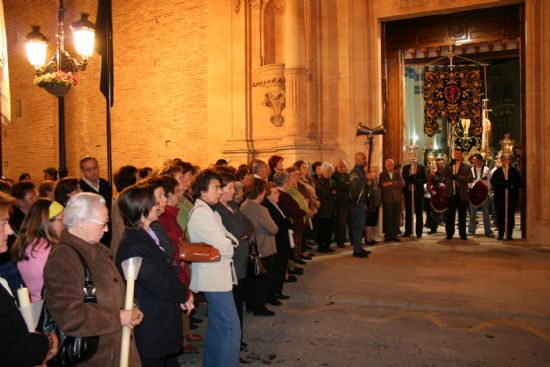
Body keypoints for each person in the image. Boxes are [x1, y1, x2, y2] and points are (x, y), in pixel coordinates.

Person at [43, 193, 143, 366]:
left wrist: (131, 307)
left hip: (117, 348)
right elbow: (69, 315)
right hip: (97, 356)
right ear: (81, 222)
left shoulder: (96, 249)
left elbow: (112, 292)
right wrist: (118, 317)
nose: (106, 230)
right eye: (103, 224)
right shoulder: (63, 258)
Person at [117, 184, 192, 367]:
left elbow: (165, 268)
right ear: (142, 209)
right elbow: (158, 281)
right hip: (151, 320)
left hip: (160, 312)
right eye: (153, 204)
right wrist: (183, 294)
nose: (158, 206)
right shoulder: (135, 243)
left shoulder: (146, 233)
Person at [187, 169, 241, 367]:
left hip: (218, 276)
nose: (220, 192)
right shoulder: (201, 213)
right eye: (216, 187)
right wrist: (228, 245)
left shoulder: (210, 211)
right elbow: (226, 245)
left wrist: (228, 245)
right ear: (202, 191)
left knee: (218, 327)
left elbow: (229, 239)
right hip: (214, 278)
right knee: (230, 328)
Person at [0, 192, 59, 367]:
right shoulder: (46, 250)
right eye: (3, 224)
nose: (10, 231)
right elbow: (9, 349)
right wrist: (45, 342)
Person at [215, 171, 252, 350]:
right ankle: (233, 340)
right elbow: (237, 231)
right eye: (229, 188)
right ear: (219, 190)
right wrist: (243, 232)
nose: (233, 191)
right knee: (233, 304)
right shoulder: (217, 210)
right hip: (231, 264)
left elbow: (248, 224)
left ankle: (238, 336)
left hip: (241, 260)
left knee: (239, 301)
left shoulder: (233, 205)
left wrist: (244, 231)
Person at [241, 178, 280, 315]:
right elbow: (273, 229)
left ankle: (250, 304)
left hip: (251, 247)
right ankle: (260, 307)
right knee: (264, 279)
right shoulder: (261, 209)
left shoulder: (244, 205)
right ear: (261, 193)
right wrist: (274, 223)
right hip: (264, 248)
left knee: (252, 278)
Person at [12, 200, 64, 302]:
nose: (65, 225)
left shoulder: (28, 245)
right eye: (62, 220)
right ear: (47, 222)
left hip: (36, 305)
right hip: (51, 306)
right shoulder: (46, 250)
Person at [274, 169, 306, 281]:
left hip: (292, 223)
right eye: (287, 180)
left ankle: (291, 268)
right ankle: (287, 271)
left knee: (291, 249)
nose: (289, 182)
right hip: (288, 225)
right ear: (283, 181)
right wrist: (303, 212)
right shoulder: (281, 194)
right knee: (288, 250)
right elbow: (291, 209)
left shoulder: (284, 193)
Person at [79, 156, 113, 245]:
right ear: (82, 171)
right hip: (91, 233)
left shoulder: (104, 183)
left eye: (94, 168)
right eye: (88, 170)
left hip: (107, 230)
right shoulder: (80, 188)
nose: (92, 172)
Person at [442, 148, 474, 240]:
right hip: (451, 194)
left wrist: (458, 177)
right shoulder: (449, 165)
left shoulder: (466, 167)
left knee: (462, 215)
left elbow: (470, 178)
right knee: (450, 215)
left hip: (462, 194)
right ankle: (449, 233)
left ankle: (462, 233)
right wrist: (449, 165)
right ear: (453, 155)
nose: (457, 155)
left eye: (459, 154)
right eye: (456, 154)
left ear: (462, 155)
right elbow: (443, 174)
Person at [490, 153, 522, 240]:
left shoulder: (514, 171)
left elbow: (519, 183)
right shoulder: (497, 172)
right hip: (500, 198)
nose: (506, 161)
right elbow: (493, 182)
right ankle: (501, 234)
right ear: (502, 161)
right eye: (504, 160)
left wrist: (511, 185)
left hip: (511, 198)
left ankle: (509, 234)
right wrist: (502, 184)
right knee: (500, 215)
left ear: (510, 161)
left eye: (508, 160)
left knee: (510, 216)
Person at [111, 165, 139, 255]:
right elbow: (122, 231)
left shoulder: (130, 200)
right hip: (124, 251)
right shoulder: (121, 203)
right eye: (138, 178)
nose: (141, 181)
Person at [349, 153, 371, 257]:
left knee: (361, 226)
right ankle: (356, 251)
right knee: (358, 226)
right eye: (363, 158)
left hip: (362, 202)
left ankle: (359, 247)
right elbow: (355, 188)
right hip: (356, 203)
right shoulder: (355, 172)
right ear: (357, 159)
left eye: (365, 158)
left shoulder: (361, 170)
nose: (365, 160)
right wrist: (366, 179)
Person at [468, 154, 494, 237]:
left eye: (475, 159)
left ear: (480, 160)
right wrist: (473, 188)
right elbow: (469, 181)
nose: (473, 161)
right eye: (473, 159)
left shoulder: (486, 169)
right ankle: (471, 230)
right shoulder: (471, 169)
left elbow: (490, 181)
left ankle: (488, 231)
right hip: (474, 194)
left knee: (486, 213)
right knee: (472, 213)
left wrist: (487, 190)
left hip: (483, 194)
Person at [379, 159, 404, 243]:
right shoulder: (382, 174)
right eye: (388, 165)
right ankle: (388, 236)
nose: (390, 166)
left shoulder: (397, 173)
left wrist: (391, 183)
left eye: (392, 164)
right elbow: (383, 186)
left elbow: (402, 184)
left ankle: (394, 235)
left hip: (397, 199)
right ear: (385, 165)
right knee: (388, 218)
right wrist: (394, 184)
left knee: (396, 218)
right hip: (387, 199)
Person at [402, 158, 427, 238]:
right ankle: (408, 231)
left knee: (419, 213)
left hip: (418, 193)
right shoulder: (406, 168)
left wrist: (417, 181)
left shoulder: (422, 168)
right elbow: (403, 178)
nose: (412, 159)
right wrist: (409, 179)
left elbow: (425, 179)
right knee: (409, 212)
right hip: (408, 193)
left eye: (414, 158)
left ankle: (419, 232)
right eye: (411, 157)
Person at [315, 162, 337, 253]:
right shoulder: (320, 181)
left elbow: (336, 193)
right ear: (323, 171)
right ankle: (321, 246)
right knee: (322, 229)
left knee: (330, 228)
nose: (329, 172)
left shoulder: (333, 181)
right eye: (327, 171)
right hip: (323, 209)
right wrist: (331, 192)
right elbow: (322, 193)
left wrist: (331, 193)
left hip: (332, 209)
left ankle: (327, 245)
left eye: (330, 171)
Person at [332, 160, 352, 248]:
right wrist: (347, 184)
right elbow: (341, 186)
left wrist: (347, 184)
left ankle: (353, 240)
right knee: (341, 223)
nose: (343, 168)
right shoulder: (334, 176)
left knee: (352, 222)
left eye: (344, 166)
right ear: (337, 167)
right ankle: (340, 241)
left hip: (349, 202)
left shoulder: (348, 175)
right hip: (340, 203)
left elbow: (351, 185)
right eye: (341, 166)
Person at [427, 157, 446, 234]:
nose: (439, 165)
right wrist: (432, 192)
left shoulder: (447, 173)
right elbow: (429, 185)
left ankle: (448, 231)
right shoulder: (433, 174)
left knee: (446, 215)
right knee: (434, 214)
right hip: (435, 197)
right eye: (438, 164)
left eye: (441, 163)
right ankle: (433, 229)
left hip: (445, 197)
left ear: (443, 164)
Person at [365, 166, 382, 245]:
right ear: (369, 173)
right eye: (373, 171)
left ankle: (372, 238)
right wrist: (368, 184)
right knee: (370, 222)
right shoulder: (369, 181)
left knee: (374, 222)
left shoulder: (376, 181)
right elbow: (367, 191)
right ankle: (368, 239)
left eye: (376, 171)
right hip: (371, 205)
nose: (375, 173)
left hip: (377, 204)